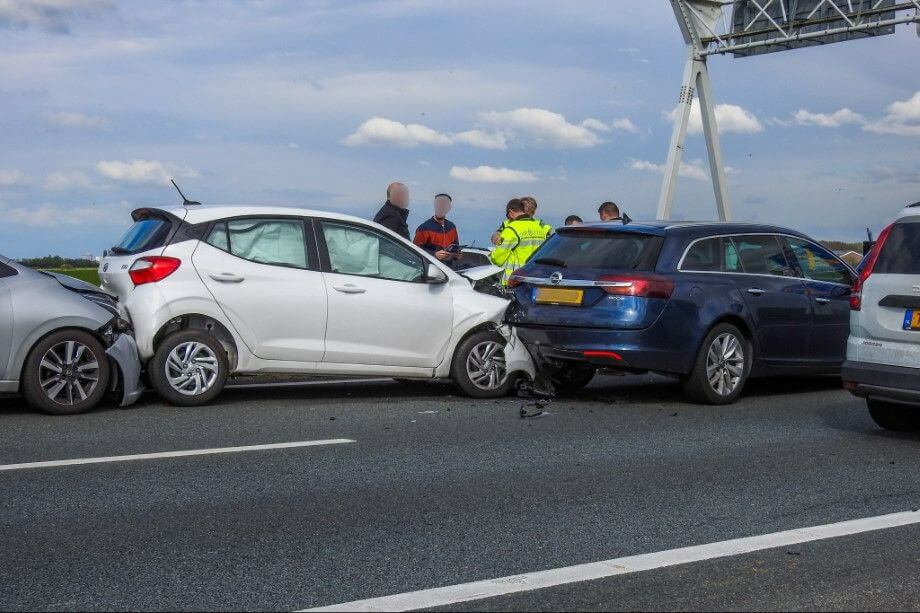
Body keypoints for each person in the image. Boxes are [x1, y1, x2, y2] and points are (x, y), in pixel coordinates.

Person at [490, 198, 552, 285]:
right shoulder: (541, 228)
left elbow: (498, 258)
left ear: (511, 212)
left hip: (516, 279)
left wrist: (491, 256)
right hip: (537, 277)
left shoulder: (512, 227)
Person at [413, 194, 460, 266]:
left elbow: (455, 246)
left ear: (449, 208)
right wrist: (434, 255)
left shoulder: (452, 227)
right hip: (431, 269)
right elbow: (415, 251)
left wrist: (456, 255)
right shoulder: (424, 228)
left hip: (449, 269)